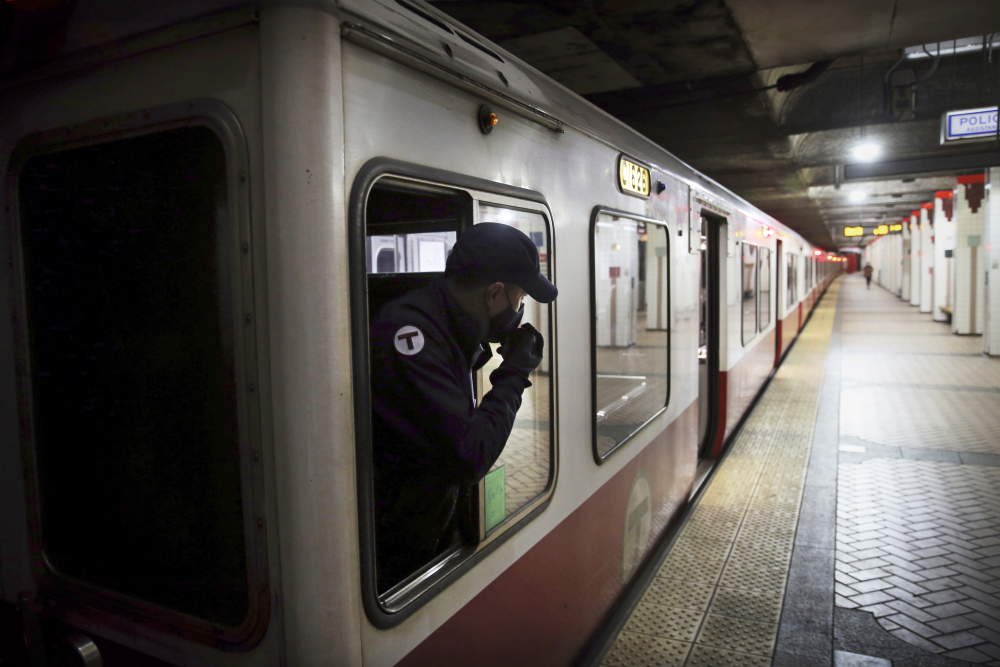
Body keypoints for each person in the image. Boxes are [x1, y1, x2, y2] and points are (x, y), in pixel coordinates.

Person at [369, 222, 557, 590]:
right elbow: (469, 455)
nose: (519, 311)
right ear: (495, 294)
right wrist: (514, 373)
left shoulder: (440, 321)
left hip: (427, 523)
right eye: (520, 300)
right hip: (397, 547)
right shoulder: (410, 334)